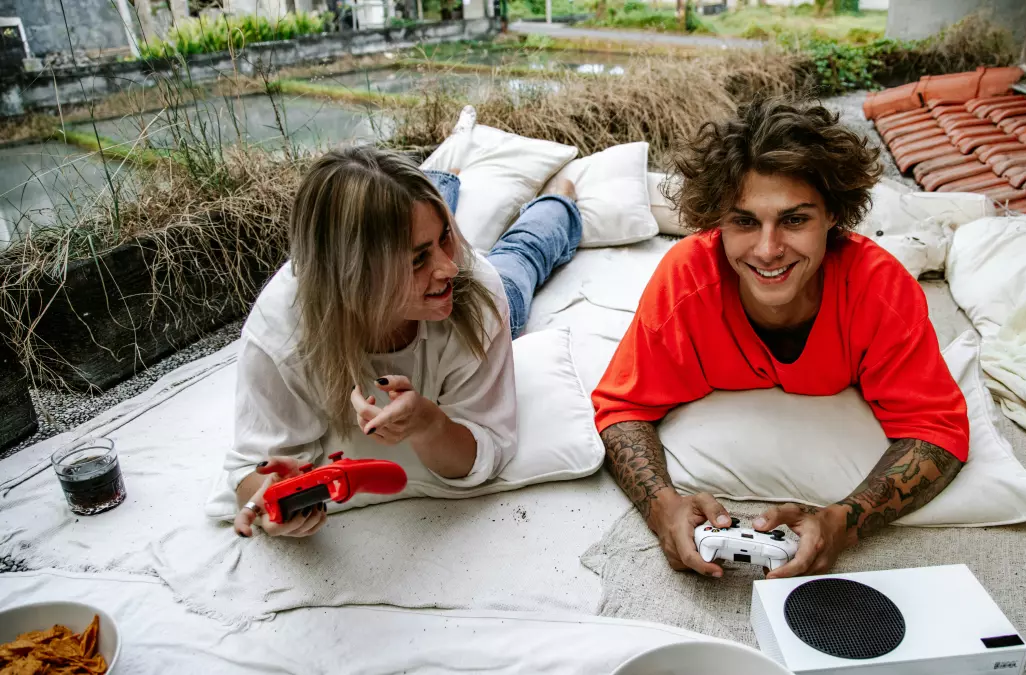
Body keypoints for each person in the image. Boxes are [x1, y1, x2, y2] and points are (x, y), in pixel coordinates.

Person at [591, 97, 969, 579]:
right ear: (717, 222)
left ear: (832, 215)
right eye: (744, 221)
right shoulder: (685, 281)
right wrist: (662, 506)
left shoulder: (881, 290)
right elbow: (621, 409)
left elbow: (938, 431)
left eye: (794, 220)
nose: (768, 251)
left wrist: (844, 520)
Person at [226, 146, 581, 538]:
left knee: (520, 256)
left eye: (446, 236)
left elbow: (488, 446)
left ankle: (558, 199)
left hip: (468, 300)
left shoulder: (473, 285)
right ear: (352, 276)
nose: (448, 266)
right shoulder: (281, 332)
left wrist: (430, 425)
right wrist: (270, 505)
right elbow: (252, 469)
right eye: (417, 260)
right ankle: (445, 183)